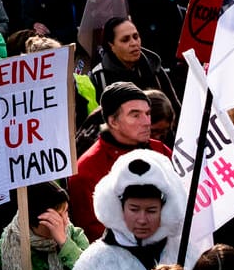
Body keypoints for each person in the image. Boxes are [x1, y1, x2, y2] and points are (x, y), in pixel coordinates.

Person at [67, 149, 183, 270]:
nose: (142, 219)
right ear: (120, 208)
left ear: (164, 210)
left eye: (151, 210)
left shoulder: (184, 250)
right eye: (134, 209)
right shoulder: (93, 265)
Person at [69, 83, 172, 238]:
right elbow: (95, 237)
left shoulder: (160, 150)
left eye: (147, 113)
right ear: (113, 121)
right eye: (135, 115)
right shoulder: (86, 171)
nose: (146, 122)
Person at [87, 17, 176, 102]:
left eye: (136, 37)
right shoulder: (99, 78)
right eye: (125, 40)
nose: (134, 43)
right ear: (111, 46)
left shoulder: (154, 67)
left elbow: (175, 109)